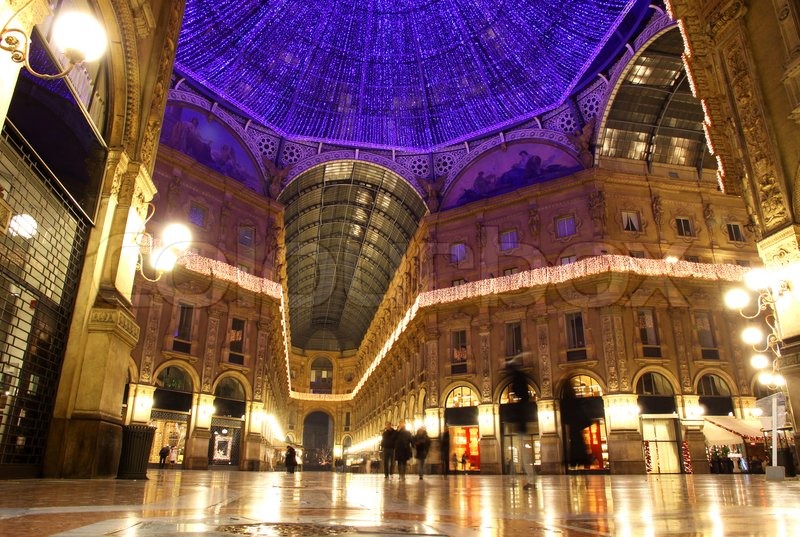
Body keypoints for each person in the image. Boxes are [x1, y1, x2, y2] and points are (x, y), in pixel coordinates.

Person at [508, 360, 536, 489]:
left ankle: (530, 480)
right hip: (521, 429)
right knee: (521, 456)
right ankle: (516, 479)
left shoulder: (522, 402)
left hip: (522, 430)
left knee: (524, 457)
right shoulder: (523, 401)